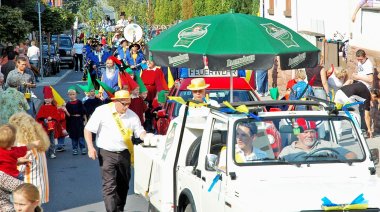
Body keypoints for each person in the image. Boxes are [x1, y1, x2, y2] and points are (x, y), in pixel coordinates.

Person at [84, 90, 153, 212]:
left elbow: (139, 131)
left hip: (124, 154)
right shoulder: (102, 111)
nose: (126, 107)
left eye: (128, 103)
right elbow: (88, 129)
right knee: (109, 186)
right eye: (124, 104)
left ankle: (119, 209)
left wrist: (146, 136)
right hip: (106, 153)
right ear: (115, 101)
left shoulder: (132, 115)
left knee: (123, 185)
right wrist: (90, 147)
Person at [9, 112, 51, 204]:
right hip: (41, 184)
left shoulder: (23, 147)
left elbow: (18, 170)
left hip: (28, 187)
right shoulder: (39, 142)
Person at [279, 118, 357, 161]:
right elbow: (279, 169)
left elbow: (351, 155)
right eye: (305, 132)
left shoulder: (328, 145)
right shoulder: (287, 151)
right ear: (297, 134)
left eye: (312, 132)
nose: (309, 135)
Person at [62, 86, 87, 155]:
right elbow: (68, 115)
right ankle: (75, 148)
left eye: (73, 94)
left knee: (81, 135)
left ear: (76, 94)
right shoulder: (68, 104)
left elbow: (83, 112)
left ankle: (83, 148)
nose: (72, 96)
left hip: (79, 120)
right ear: (68, 95)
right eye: (70, 94)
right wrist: (65, 110)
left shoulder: (79, 102)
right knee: (74, 136)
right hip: (72, 121)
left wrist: (85, 121)